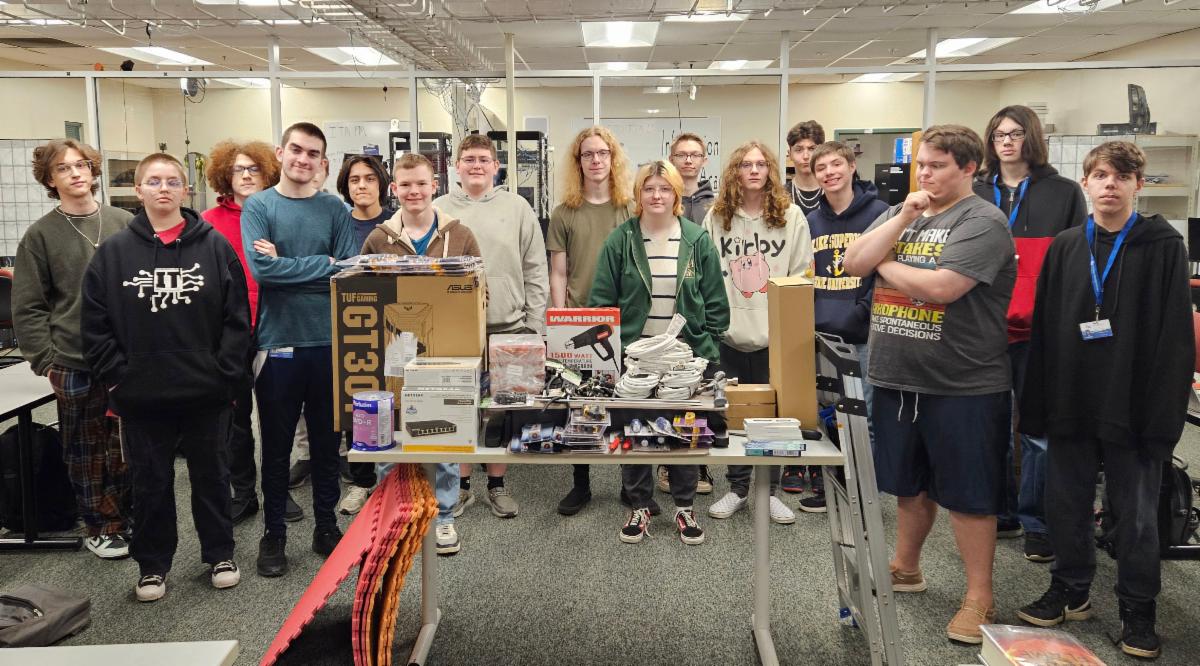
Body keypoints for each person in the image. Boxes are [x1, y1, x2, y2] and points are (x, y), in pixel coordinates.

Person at [1015, 141, 1193, 661]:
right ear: (1086, 184)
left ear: (1138, 184)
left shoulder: (1162, 245)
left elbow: (1175, 338)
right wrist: (1038, 404)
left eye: (1121, 176)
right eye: (1100, 175)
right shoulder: (1067, 245)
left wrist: (1163, 417)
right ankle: (1071, 588)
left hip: (1133, 403)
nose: (1110, 184)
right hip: (1071, 396)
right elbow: (1045, 327)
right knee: (1065, 502)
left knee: (1135, 514)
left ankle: (1138, 608)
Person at [843, 125, 1016, 645]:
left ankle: (979, 596)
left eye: (937, 166)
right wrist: (902, 218)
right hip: (898, 375)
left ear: (969, 169)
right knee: (908, 483)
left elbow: (942, 288)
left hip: (962, 382)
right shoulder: (907, 213)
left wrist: (885, 265)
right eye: (921, 165)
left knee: (969, 495)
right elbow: (853, 263)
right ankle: (906, 566)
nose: (925, 174)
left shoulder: (983, 221)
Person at [80, 152, 251, 601]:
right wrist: (120, 378)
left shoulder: (215, 247)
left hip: (206, 392)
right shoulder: (113, 254)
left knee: (212, 477)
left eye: (173, 181)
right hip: (142, 395)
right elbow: (94, 325)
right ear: (138, 190)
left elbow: (237, 319)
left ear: (185, 190)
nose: (163, 189)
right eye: (154, 181)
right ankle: (153, 566)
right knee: (150, 483)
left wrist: (224, 375)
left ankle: (220, 554)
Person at [589, 160, 728, 545]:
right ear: (638, 194)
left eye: (664, 188)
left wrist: (705, 346)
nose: (656, 195)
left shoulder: (696, 240)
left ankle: (684, 506)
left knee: (685, 434)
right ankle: (640, 506)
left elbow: (716, 303)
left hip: (684, 360)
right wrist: (615, 354)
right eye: (648, 188)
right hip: (635, 359)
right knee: (634, 433)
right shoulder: (621, 240)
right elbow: (601, 301)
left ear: (676, 194)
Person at [241, 122, 358, 578]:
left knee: (328, 446)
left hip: (329, 343)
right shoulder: (260, 205)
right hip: (278, 345)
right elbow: (262, 272)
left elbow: (346, 270)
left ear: (322, 162)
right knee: (275, 447)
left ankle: (326, 526)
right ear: (280, 152)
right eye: (296, 150)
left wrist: (291, 265)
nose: (303, 159)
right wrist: (320, 264)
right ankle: (274, 534)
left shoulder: (334, 209)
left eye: (312, 154)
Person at [972, 106, 1088, 559]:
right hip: (984, 328)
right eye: (998, 134)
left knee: (1037, 431)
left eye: (1015, 133)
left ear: (1031, 138)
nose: (1006, 142)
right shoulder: (976, 189)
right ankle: (1000, 511)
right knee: (991, 425)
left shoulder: (1063, 192)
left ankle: (1037, 520)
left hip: (1040, 330)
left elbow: (1077, 262)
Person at [12, 139, 133, 559]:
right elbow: (28, 306)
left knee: (124, 442)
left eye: (81, 164)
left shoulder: (123, 222)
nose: (76, 173)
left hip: (123, 357)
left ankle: (124, 515)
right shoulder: (40, 235)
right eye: (63, 168)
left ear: (93, 170)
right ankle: (100, 525)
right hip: (72, 359)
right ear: (50, 179)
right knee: (85, 448)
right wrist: (46, 361)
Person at [364, 152, 482, 556]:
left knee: (442, 433)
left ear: (435, 186)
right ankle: (391, 516)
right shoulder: (379, 238)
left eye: (421, 183)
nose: (413, 191)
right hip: (393, 353)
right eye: (405, 185)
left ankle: (443, 516)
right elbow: (364, 294)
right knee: (393, 434)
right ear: (393, 189)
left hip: (444, 353)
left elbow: (479, 293)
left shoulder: (459, 235)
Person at [433, 134, 548, 521]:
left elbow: (536, 268)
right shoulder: (439, 209)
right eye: (469, 159)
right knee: (460, 408)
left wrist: (534, 325)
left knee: (503, 411)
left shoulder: (517, 208)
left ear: (496, 166)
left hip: (510, 325)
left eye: (484, 159)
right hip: (456, 331)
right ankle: (462, 485)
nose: (476, 165)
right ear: (457, 166)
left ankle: (497, 484)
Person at [702, 141, 811, 526]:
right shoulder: (717, 217)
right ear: (734, 171)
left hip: (774, 337)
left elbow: (800, 274)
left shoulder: (791, 216)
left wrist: (788, 330)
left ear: (770, 171)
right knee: (734, 415)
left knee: (775, 419)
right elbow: (706, 273)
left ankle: (770, 492)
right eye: (746, 164)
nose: (753, 170)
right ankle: (737, 489)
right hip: (728, 334)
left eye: (761, 164)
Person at [546, 126, 633, 517]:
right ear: (577, 162)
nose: (596, 160)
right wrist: (560, 320)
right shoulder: (564, 213)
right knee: (579, 404)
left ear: (613, 159)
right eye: (588, 154)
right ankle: (580, 484)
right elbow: (559, 272)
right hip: (580, 318)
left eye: (602, 153)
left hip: (626, 320)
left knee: (628, 404)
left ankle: (632, 485)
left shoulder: (630, 209)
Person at [800, 141, 889, 514]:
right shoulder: (810, 221)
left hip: (862, 335)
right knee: (828, 417)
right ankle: (831, 490)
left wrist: (861, 312)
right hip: (821, 336)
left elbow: (885, 274)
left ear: (852, 166)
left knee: (863, 420)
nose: (829, 173)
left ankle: (865, 499)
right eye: (821, 168)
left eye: (836, 164)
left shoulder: (880, 215)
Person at [202, 139, 281, 525]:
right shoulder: (207, 222)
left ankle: (277, 492)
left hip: (274, 327)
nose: (247, 176)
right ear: (224, 175)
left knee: (276, 416)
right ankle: (244, 491)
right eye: (238, 169)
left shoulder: (278, 215)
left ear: (267, 174)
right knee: (236, 418)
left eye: (254, 169)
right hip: (227, 334)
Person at [333, 154, 394, 515]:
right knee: (355, 400)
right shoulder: (338, 223)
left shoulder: (395, 224)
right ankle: (361, 480)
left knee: (395, 399)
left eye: (369, 178)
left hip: (393, 322)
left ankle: (395, 479)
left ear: (382, 184)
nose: (362, 185)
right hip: (352, 324)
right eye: (354, 179)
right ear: (345, 185)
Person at [664, 132, 717, 496]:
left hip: (697, 311)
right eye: (681, 155)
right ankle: (664, 461)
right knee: (664, 391)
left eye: (694, 155)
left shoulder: (716, 204)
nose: (687, 160)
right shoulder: (660, 198)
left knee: (696, 392)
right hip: (662, 311)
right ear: (671, 159)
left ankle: (699, 464)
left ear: (704, 160)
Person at [780, 119, 825, 495]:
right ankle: (792, 463)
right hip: (791, 303)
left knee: (825, 393)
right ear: (790, 154)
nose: (806, 155)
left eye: (812, 149)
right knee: (795, 387)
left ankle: (821, 467)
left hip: (829, 301)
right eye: (799, 149)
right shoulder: (780, 198)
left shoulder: (837, 192)